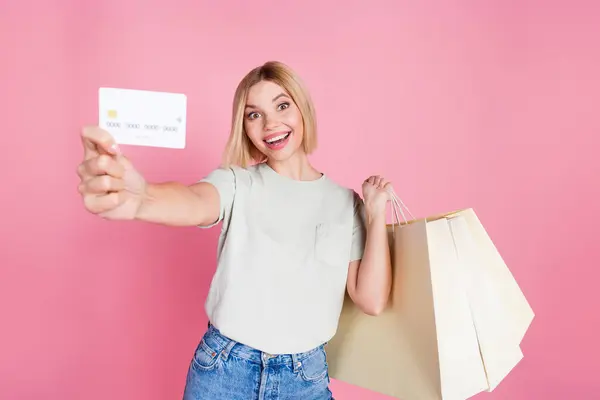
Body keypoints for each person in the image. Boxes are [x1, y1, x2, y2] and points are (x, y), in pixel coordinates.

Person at [77, 61, 393, 400]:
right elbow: (194, 201)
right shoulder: (236, 183)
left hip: (306, 379)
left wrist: (375, 214)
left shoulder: (346, 203)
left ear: (303, 109)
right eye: (253, 114)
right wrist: (142, 198)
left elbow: (372, 300)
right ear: (244, 127)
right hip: (224, 372)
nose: (271, 123)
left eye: (282, 105)